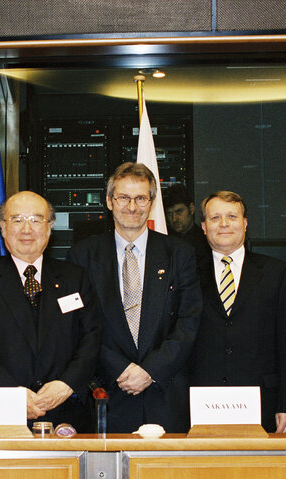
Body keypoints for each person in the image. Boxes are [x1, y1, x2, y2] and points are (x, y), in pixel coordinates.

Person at [68, 163, 202, 433]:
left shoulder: (180, 254)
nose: (132, 206)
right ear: (109, 201)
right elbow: (79, 326)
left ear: (151, 203)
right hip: (106, 393)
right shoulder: (82, 256)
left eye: (141, 198)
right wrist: (120, 367)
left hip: (165, 394)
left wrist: (150, 370)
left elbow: (188, 322)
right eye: (123, 198)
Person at [0, 191, 101, 432]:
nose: (27, 229)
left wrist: (67, 384)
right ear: (3, 227)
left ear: (49, 227)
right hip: (0, 413)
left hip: (66, 413)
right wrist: (12, 393)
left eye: (36, 220)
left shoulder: (74, 277)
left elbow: (92, 337)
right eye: (17, 220)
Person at [189, 191, 286, 433]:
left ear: (245, 223)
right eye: (215, 218)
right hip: (200, 402)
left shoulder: (276, 273)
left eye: (232, 216)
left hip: (263, 403)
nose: (224, 224)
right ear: (204, 227)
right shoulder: (187, 274)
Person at [162, 184, 209, 259]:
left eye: (179, 211)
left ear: (191, 208)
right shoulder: (163, 241)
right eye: (170, 213)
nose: (174, 219)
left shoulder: (206, 242)